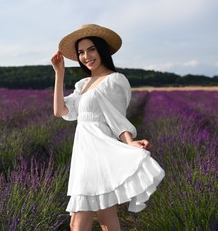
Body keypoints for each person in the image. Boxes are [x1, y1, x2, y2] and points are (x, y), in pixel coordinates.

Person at [51, 24, 165, 230]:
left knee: (78, 221)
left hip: (99, 153)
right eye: (81, 52)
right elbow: (60, 111)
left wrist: (130, 142)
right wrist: (59, 73)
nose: (86, 56)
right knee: (106, 218)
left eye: (91, 49)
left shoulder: (114, 80)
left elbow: (117, 119)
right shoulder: (84, 84)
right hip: (84, 154)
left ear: (102, 50)